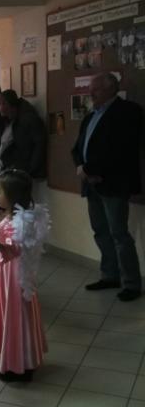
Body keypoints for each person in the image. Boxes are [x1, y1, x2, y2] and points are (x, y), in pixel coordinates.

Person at [71, 72, 142, 301]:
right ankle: (110, 275)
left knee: (119, 234)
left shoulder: (128, 112)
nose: (90, 93)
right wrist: (81, 167)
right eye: (90, 89)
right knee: (101, 231)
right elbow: (77, 148)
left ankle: (131, 284)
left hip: (113, 183)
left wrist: (93, 170)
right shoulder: (92, 115)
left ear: (111, 89)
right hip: (91, 184)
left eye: (96, 89)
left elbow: (121, 150)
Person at [0, 169, 49, 382]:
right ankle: (12, 356)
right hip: (4, 272)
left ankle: (21, 365)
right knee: (8, 313)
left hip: (15, 275)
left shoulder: (24, 221)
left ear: (12, 195)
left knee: (17, 315)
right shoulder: (9, 215)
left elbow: (17, 251)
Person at [0, 90, 47, 178]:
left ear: (6, 104)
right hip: (14, 169)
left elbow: (39, 144)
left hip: (25, 172)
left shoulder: (28, 119)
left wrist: (30, 169)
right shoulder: (11, 120)